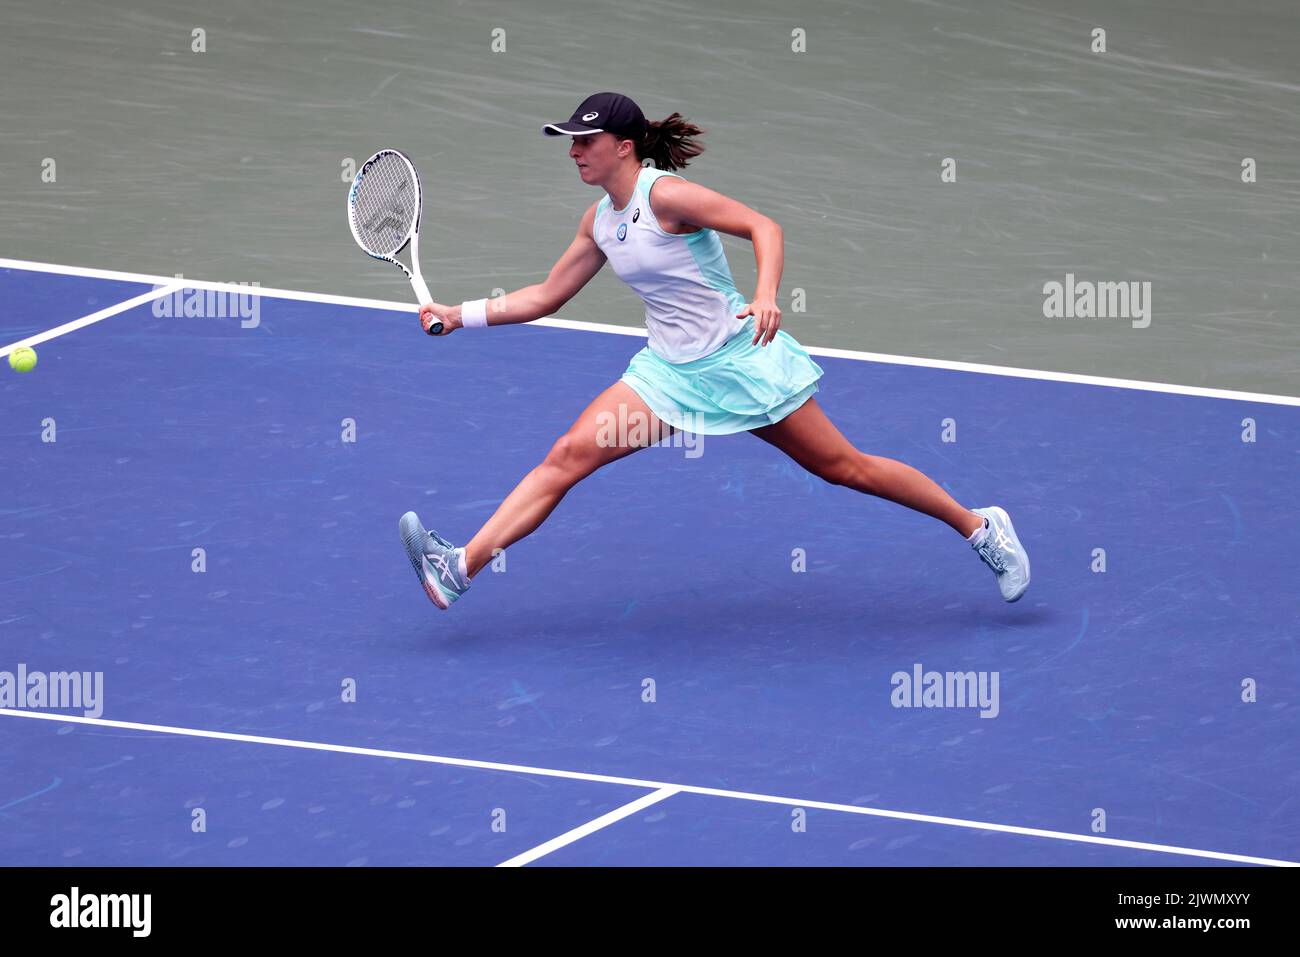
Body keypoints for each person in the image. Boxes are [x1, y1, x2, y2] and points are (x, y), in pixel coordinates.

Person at [399, 92, 1029, 610]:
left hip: (739, 360)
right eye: (570, 141)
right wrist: (461, 316)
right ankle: (459, 567)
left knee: (845, 468)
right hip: (666, 379)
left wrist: (766, 294)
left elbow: (764, 227)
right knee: (566, 456)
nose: (573, 152)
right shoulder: (599, 221)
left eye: (584, 141)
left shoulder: (665, 196)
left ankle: (979, 528)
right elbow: (546, 295)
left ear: (624, 146)